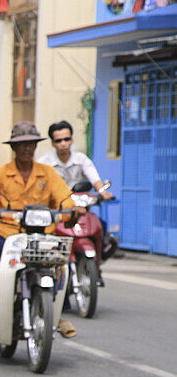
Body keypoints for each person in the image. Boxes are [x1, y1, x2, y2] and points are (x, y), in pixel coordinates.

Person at [0, 121, 85, 337]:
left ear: (35, 146)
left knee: (63, 265)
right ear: (13, 148)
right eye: (22, 144)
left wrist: (73, 209)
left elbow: (64, 198)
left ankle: (57, 312)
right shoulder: (0, 174)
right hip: (8, 233)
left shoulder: (48, 173)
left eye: (31, 144)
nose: (26, 148)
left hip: (42, 236)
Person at [38, 120, 117, 280]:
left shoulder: (81, 159)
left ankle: (97, 263)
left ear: (72, 140)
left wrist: (102, 192)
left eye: (66, 139)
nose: (63, 144)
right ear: (53, 143)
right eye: (58, 140)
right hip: (57, 211)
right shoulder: (45, 162)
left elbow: (94, 177)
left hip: (80, 208)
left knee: (100, 227)